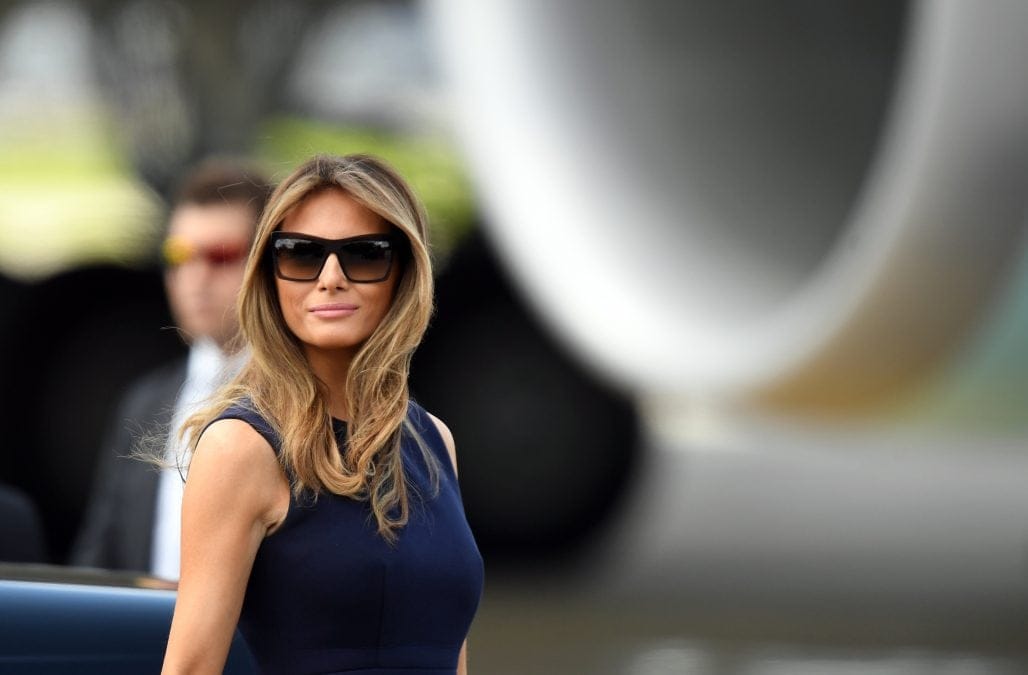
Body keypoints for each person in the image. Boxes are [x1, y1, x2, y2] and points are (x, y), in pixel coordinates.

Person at [161, 154, 483, 675]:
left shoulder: (434, 441)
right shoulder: (240, 448)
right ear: (270, 275)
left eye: (365, 254)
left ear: (404, 273)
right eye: (301, 254)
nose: (330, 278)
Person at [71, 159, 270, 578]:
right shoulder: (144, 401)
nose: (195, 277)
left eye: (221, 255)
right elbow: (98, 559)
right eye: (178, 255)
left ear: (270, 263)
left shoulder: (314, 400)